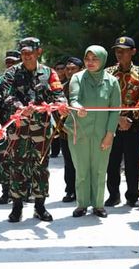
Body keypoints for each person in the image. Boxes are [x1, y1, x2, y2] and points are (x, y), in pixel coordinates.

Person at [0, 37, 68, 222]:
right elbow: (6, 96)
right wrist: (20, 107)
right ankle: (17, 207)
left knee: (41, 167)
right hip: (19, 129)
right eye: (23, 53)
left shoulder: (49, 73)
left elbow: (58, 94)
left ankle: (40, 206)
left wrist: (62, 105)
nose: (27, 56)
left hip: (41, 129)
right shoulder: (12, 73)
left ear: (39, 52)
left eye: (30, 53)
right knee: (18, 166)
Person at [65, 45, 121, 218]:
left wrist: (110, 134)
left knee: (99, 169)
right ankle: (81, 204)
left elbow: (115, 110)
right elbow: (73, 99)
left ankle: (98, 205)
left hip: (102, 133)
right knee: (81, 169)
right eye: (87, 59)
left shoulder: (112, 81)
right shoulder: (77, 77)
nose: (90, 62)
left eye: (95, 59)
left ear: (103, 60)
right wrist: (77, 107)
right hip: (79, 131)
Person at [104, 36, 139, 208]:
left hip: (133, 125)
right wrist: (117, 119)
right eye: (117, 51)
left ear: (133, 52)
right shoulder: (108, 73)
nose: (119, 54)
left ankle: (132, 195)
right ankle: (113, 194)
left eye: (124, 51)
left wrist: (129, 118)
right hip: (111, 125)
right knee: (112, 162)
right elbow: (104, 99)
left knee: (132, 163)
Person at [0, 50, 21, 204]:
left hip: (24, 127)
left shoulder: (26, 79)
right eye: (8, 62)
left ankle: (25, 190)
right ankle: (6, 190)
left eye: (14, 62)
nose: (10, 65)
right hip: (5, 126)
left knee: (24, 158)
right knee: (5, 159)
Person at [59, 57, 83, 203]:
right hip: (65, 132)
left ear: (81, 70)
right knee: (69, 162)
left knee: (83, 163)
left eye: (73, 68)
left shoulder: (86, 87)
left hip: (84, 132)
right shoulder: (61, 88)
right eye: (67, 68)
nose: (69, 71)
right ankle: (70, 191)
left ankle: (84, 191)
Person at [50, 61, 67, 158]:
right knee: (54, 131)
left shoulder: (68, 82)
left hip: (64, 111)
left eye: (62, 68)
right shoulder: (52, 81)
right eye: (58, 69)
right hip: (53, 110)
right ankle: (54, 151)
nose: (60, 71)